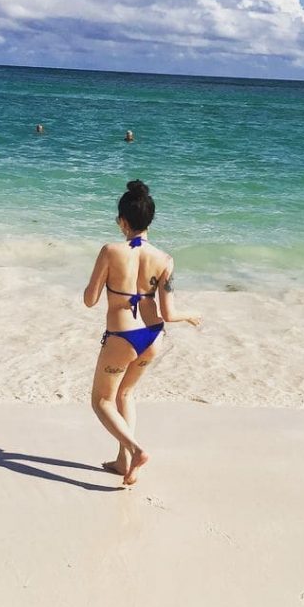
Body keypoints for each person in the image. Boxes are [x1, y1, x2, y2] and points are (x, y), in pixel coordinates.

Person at [83, 180, 201, 486]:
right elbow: (169, 314)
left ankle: (136, 451)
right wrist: (190, 315)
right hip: (153, 337)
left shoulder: (110, 251)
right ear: (149, 221)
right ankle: (123, 461)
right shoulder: (165, 260)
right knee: (126, 393)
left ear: (123, 221)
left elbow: (89, 300)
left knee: (101, 401)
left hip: (122, 338)